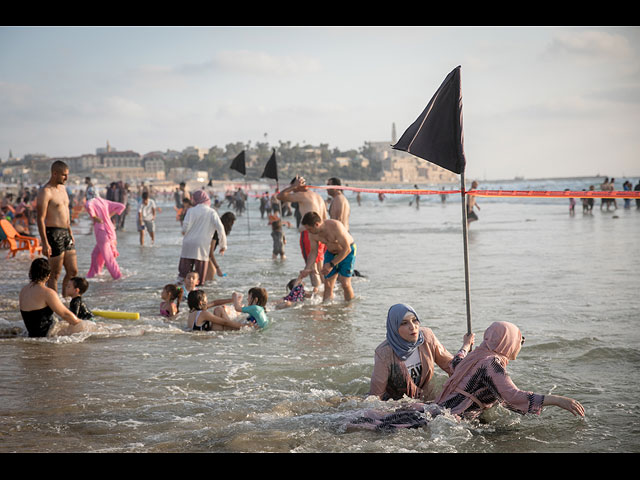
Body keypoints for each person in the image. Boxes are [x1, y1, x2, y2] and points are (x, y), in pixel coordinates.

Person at [435, 321, 584, 420]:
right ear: (508, 342)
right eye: (520, 340)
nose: (520, 345)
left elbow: (456, 363)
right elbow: (513, 396)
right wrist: (557, 400)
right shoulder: (492, 363)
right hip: (456, 418)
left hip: (440, 409)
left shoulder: (478, 354)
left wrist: (466, 345)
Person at [369, 303, 474, 402]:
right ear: (395, 327)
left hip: (428, 401)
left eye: (415, 320)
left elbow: (452, 367)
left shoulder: (426, 337)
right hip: (399, 407)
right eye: (404, 323)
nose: (412, 326)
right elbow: (375, 397)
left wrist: (466, 345)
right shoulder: (384, 353)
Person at [19, 258, 95, 337]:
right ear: (48, 275)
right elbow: (65, 315)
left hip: (31, 334)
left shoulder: (23, 291)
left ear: (31, 272)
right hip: (47, 335)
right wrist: (84, 324)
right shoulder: (48, 293)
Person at [277, 176, 328, 293]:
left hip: (309, 232)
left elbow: (279, 196)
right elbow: (325, 218)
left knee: (311, 267)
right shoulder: (319, 197)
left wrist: (293, 187)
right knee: (320, 267)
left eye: (294, 189)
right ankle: (326, 292)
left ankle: (317, 295)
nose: (293, 192)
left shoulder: (302, 195)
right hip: (321, 232)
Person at [36, 160, 78, 293]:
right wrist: (44, 242)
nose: (66, 178)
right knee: (54, 274)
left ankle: (65, 300)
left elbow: (65, 213)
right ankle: (54, 305)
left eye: (67, 175)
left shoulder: (63, 189)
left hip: (66, 233)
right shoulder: (45, 191)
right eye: (64, 175)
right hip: (53, 233)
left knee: (73, 271)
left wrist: (70, 232)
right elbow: (40, 218)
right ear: (55, 173)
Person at [300, 211, 356, 303]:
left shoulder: (335, 226)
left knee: (345, 283)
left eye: (309, 229)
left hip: (347, 252)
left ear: (317, 224)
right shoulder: (313, 234)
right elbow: (313, 252)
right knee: (328, 285)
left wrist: (331, 264)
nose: (308, 232)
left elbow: (347, 249)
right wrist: (307, 268)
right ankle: (327, 312)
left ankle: (348, 309)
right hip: (330, 253)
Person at [178, 190, 227, 286]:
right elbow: (220, 228)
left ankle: (180, 295)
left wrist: (184, 232)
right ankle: (197, 296)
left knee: (183, 276)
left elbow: (185, 228)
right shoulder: (212, 212)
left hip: (188, 245)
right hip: (202, 246)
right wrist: (223, 245)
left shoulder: (191, 210)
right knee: (199, 279)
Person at [85, 195, 126, 280]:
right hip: (110, 231)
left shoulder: (90, 202)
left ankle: (118, 276)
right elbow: (122, 206)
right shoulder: (104, 202)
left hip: (102, 232)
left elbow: (89, 206)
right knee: (95, 255)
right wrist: (108, 216)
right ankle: (94, 274)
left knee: (108, 258)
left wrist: (96, 218)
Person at [205, 211, 235, 281]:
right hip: (204, 254)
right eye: (232, 223)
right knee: (211, 273)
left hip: (203, 254)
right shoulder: (216, 232)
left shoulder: (217, 230)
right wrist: (218, 268)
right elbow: (210, 252)